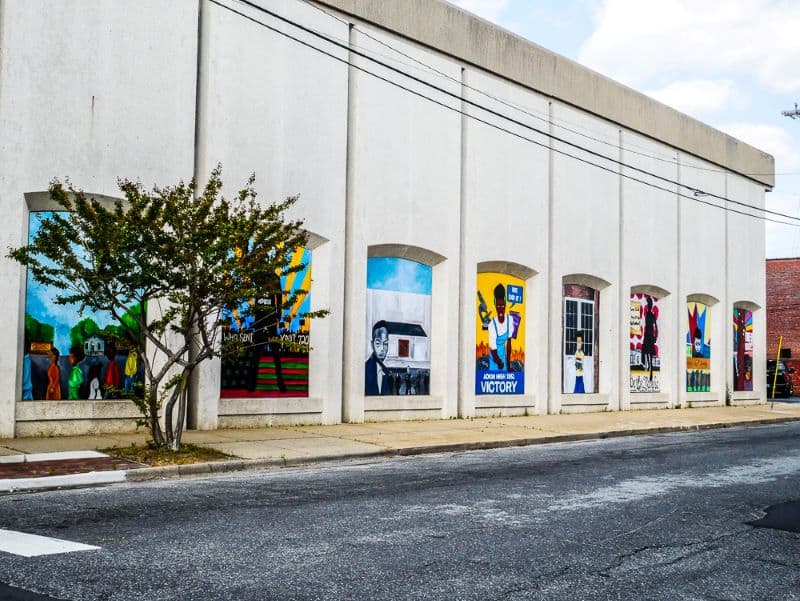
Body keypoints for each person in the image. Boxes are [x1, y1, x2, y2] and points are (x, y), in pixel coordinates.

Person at [488, 283, 512, 372]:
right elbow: (492, 347)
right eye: (498, 306)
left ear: (505, 305)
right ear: (495, 305)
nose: (500, 309)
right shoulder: (492, 324)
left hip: (503, 359)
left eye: (502, 306)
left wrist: (508, 365)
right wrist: (498, 362)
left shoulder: (510, 320)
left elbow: (509, 345)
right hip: (494, 359)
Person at [365, 320, 389, 395]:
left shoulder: (385, 371)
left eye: (385, 343)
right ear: (372, 344)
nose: (382, 348)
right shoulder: (365, 369)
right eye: (378, 343)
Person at [641, 296, 658, 381]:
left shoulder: (651, 315)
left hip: (650, 335)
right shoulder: (647, 314)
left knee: (649, 353)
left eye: (650, 303)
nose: (649, 305)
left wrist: (655, 336)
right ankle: (647, 367)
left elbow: (656, 326)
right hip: (647, 334)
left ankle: (650, 370)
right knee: (645, 351)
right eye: (648, 304)